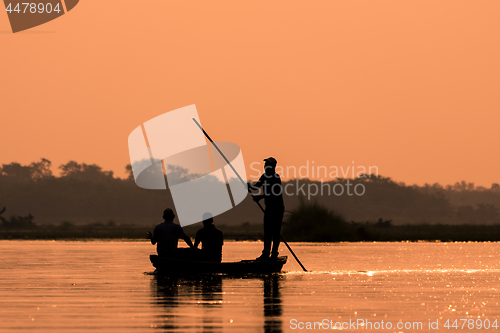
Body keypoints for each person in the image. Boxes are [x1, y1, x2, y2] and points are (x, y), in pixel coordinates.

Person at [247, 157, 285, 260]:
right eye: (265, 165)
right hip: (269, 208)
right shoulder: (264, 176)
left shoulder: (275, 178)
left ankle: (274, 253)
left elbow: (273, 193)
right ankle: (265, 254)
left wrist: (260, 197)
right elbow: (257, 187)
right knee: (267, 231)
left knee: (276, 232)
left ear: (273, 167)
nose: (265, 167)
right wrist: (249, 186)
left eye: (268, 165)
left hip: (277, 208)